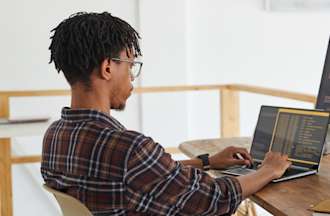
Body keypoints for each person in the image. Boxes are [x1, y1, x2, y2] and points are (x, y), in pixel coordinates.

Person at [41, 12, 291, 216]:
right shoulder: (129, 148)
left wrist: (208, 162)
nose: (131, 78)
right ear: (108, 68)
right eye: (130, 66)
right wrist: (269, 170)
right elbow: (213, 199)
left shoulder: (55, 136)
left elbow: (140, 176)